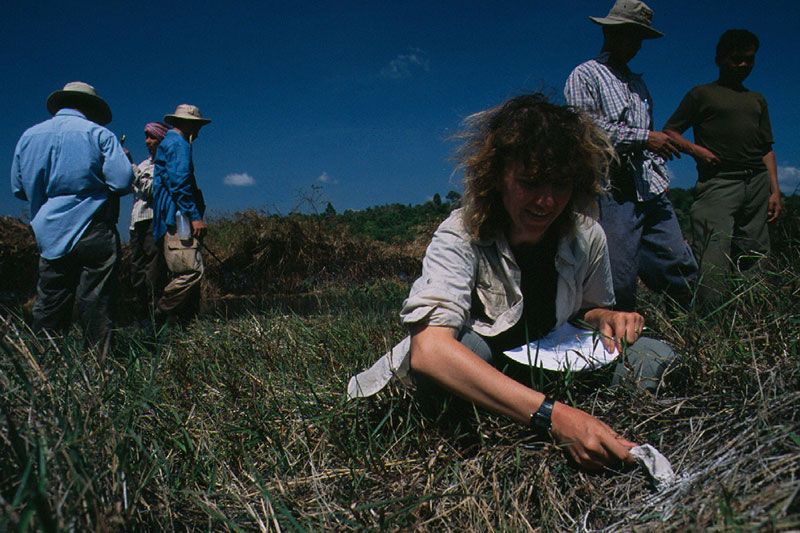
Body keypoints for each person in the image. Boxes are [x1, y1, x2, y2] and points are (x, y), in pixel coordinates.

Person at [348, 94, 677, 471]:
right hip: (482, 372)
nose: (546, 201)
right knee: (464, 349)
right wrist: (555, 417)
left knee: (656, 358)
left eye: (561, 185)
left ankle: (551, 416)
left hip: (545, 361)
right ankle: (493, 433)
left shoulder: (587, 236)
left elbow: (587, 309)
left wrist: (607, 317)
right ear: (497, 176)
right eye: (530, 182)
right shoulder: (460, 233)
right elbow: (430, 350)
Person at [564, 0, 697, 311]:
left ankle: (691, 331)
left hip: (649, 185)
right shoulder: (586, 74)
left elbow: (648, 135)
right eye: (630, 36)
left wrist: (656, 148)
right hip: (612, 188)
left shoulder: (639, 85)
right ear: (611, 33)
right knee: (617, 276)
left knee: (677, 263)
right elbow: (585, 128)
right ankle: (615, 339)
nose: (635, 45)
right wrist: (644, 138)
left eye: (639, 39)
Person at [10, 81, 133, 352]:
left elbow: (18, 189)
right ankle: (100, 373)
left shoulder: (29, 136)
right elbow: (123, 181)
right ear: (90, 107)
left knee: (50, 303)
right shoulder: (100, 134)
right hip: (93, 225)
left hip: (50, 233)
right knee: (97, 303)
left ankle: (44, 371)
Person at [663, 29, 781, 307]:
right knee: (714, 255)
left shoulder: (757, 100)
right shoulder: (702, 94)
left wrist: (775, 191)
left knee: (755, 254)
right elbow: (670, 131)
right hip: (719, 183)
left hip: (757, 181)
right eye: (736, 59)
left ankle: (753, 320)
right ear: (720, 59)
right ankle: (711, 325)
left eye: (749, 60)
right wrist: (696, 150)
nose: (743, 65)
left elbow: (766, 148)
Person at [151, 104, 211, 323]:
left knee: (182, 270)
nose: (199, 130)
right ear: (189, 124)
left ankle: (182, 323)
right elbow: (180, 183)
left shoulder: (170, 142)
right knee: (191, 271)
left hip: (171, 215)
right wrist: (194, 216)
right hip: (178, 217)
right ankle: (159, 314)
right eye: (197, 125)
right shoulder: (179, 143)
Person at [129, 121, 169, 321]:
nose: (147, 141)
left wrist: (132, 169)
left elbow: (153, 191)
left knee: (153, 274)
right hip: (136, 223)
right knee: (137, 273)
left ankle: (156, 322)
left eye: (152, 137)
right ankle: (141, 319)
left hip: (152, 221)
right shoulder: (144, 165)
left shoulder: (164, 164)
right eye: (146, 136)